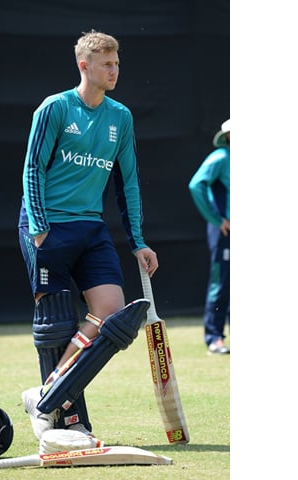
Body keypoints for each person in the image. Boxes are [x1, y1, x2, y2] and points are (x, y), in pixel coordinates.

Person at [17, 30, 159, 444]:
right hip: (47, 226)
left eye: (117, 63)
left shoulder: (121, 116)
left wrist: (138, 241)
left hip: (90, 226)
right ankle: (70, 422)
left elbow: (127, 183)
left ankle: (44, 398)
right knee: (56, 325)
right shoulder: (55, 108)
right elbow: (32, 170)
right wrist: (40, 229)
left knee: (112, 313)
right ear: (85, 65)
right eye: (106, 64)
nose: (114, 70)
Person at [188, 119, 230, 355]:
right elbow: (196, 185)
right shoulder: (221, 158)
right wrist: (217, 219)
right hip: (225, 232)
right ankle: (214, 338)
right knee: (222, 282)